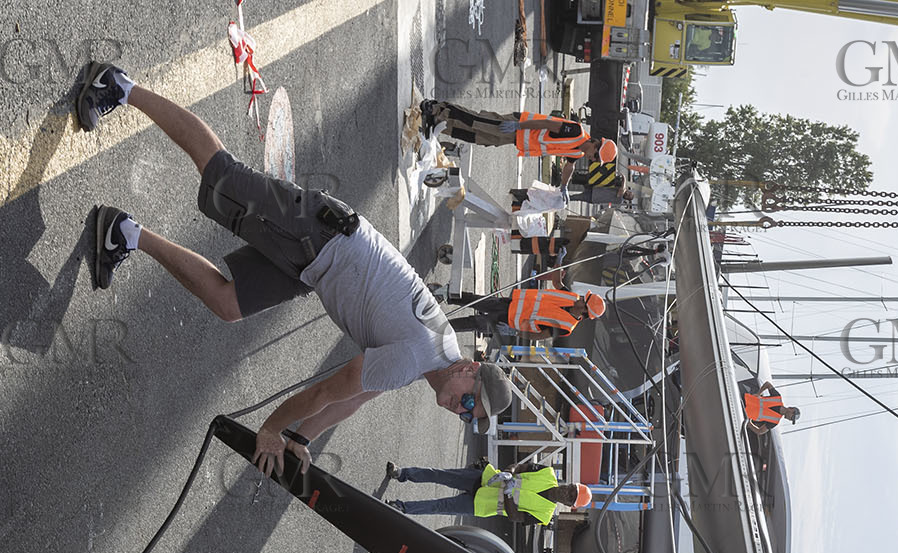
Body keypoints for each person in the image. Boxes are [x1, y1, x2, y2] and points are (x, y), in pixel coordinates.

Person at [74, 63, 511, 476]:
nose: (462, 411)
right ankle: (118, 85)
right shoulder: (417, 356)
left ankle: (124, 232)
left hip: (316, 264)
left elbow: (353, 399)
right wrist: (270, 429)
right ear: (469, 370)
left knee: (229, 302)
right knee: (220, 173)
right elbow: (328, 390)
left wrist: (301, 436)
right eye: (471, 403)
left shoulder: (429, 359)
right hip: (322, 237)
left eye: (469, 417)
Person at [420, 101, 617, 186]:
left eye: (594, 159)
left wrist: (564, 187)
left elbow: (569, 167)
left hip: (516, 140)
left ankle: (441, 125)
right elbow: (546, 123)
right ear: (595, 143)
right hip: (518, 126)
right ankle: (438, 108)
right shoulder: (576, 132)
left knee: (478, 137)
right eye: (595, 155)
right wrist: (518, 124)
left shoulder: (578, 153)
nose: (591, 158)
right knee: (480, 121)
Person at [386, 460, 591, 525]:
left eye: (570, 496)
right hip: (485, 478)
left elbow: (516, 517)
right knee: (441, 475)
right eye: (571, 488)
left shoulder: (545, 515)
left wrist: (509, 494)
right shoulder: (546, 473)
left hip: (483, 504)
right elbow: (519, 467)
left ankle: (401, 508)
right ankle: (402, 473)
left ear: (569, 505)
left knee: (441, 506)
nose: (566, 492)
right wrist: (508, 473)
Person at [454, 288, 606, 342]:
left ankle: (437, 325)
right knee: (476, 300)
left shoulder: (565, 326)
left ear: (585, 310)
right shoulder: (571, 297)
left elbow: (539, 336)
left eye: (584, 300)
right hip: (509, 303)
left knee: (473, 323)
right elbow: (557, 283)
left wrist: (515, 332)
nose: (580, 297)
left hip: (509, 322)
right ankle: (446, 295)